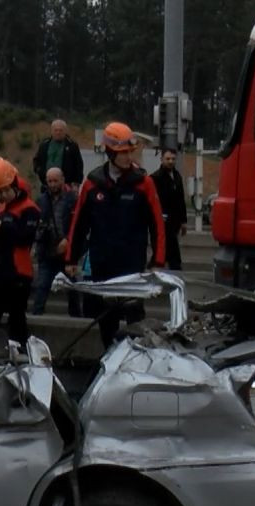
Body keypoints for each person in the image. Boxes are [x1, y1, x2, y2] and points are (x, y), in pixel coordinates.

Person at [65, 121, 165, 346]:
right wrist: (71, 258)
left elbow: (157, 224)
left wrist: (157, 260)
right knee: (106, 319)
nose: (127, 157)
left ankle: (136, 362)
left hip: (132, 264)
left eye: (129, 151)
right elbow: (79, 223)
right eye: (121, 153)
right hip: (103, 263)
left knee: (134, 317)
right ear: (110, 152)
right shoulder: (92, 183)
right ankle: (109, 358)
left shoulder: (143, 183)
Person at [0, 158, 39, 344]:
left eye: (6, 191)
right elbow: (3, 238)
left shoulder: (30, 210)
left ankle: (22, 349)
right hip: (2, 269)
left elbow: (24, 237)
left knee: (17, 318)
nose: (3, 195)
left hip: (19, 272)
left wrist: (2, 226)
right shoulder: (3, 209)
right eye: (0, 192)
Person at [33, 167, 80, 316]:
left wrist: (68, 241)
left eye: (55, 181)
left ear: (62, 180)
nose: (52, 184)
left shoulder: (72, 199)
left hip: (66, 253)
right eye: (50, 181)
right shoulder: (41, 200)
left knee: (72, 290)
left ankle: (77, 319)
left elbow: (78, 225)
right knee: (42, 287)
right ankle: (36, 317)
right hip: (47, 251)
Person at [150, 148, 188, 271]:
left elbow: (181, 199)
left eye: (173, 159)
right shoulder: (155, 178)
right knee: (168, 252)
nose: (170, 161)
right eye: (167, 159)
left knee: (167, 252)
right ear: (161, 160)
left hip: (174, 222)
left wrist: (183, 221)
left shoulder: (177, 176)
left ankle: (158, 268)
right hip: (162, 221)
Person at [33, 118, 85, 188]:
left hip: (66, 185)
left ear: (65, 131)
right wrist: (39, 171)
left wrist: (77, 183)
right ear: (51, 131)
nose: (58, 132)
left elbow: (78, 164)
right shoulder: (44, 145)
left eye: (61, 130)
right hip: (47, 184)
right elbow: (37, 160)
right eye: (56, 130)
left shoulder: (72, 145)